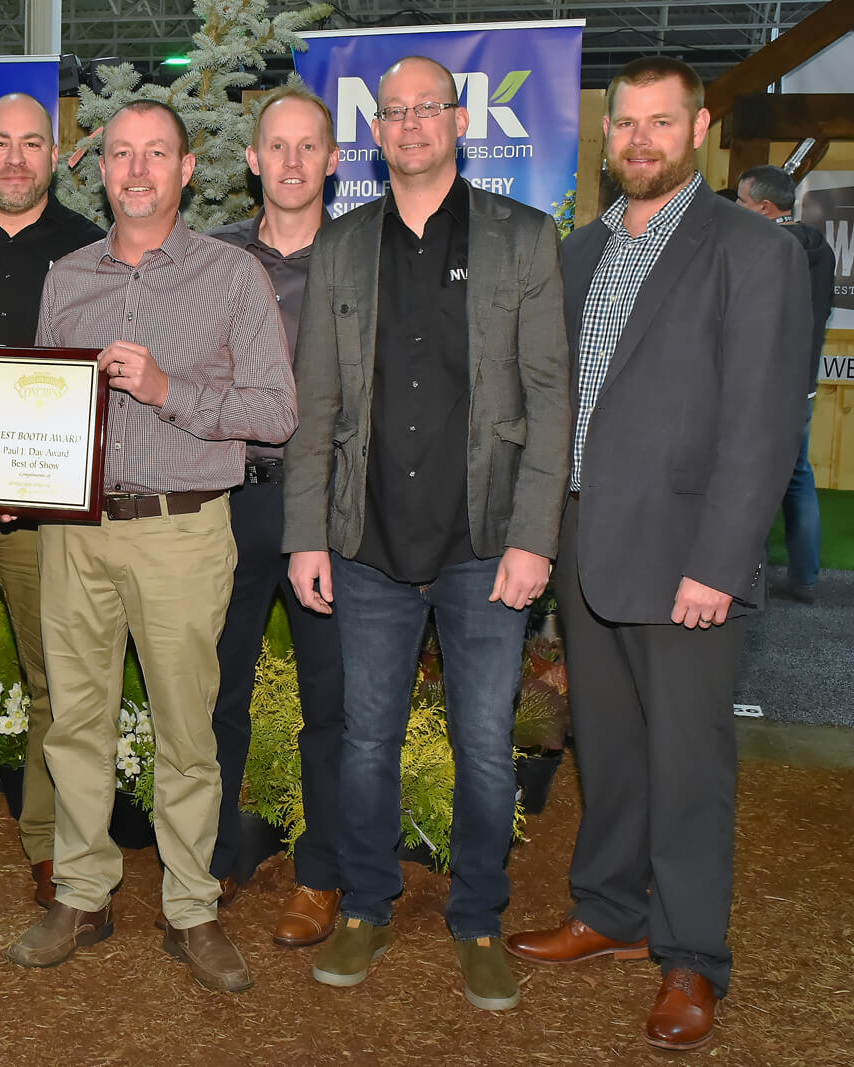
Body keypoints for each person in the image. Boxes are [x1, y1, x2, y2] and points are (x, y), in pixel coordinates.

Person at [505, 59, 810, 1051]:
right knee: (611, 745)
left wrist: (720, 561)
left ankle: (689, 957)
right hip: (588, 541)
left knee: (687, 764)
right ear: (606, 137)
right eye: (624, 125)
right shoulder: (581, 250)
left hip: (687, 556)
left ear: (699, 129)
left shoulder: (748, 249)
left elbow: (761, 423)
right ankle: (608, 911)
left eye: (659, 123)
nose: (639, 140)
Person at [284, 55, 570, 1011]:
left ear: (460, 122)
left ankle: (478, 917)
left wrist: (535, 539)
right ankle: (366, 904)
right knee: (367, 742)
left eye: (427, 110)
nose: (410, 126)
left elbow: (548, 397)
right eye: (393, 112)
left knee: (487, 745)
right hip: (365, 543)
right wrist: (306, 534)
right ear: (377, 133)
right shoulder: (343, 244)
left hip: (486, 544)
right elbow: (317, 398)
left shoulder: (525, 240)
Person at [4, 99, 296, 994]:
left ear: (186, 171)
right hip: (77, 534)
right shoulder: (68, 276)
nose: (136, 169)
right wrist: (11, 469)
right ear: (103, 171)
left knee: (186, 730)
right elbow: (41, 404)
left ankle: (192, 908)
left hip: (182, 529)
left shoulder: (233, 275)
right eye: (121, 154)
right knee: (74, 722)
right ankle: (82, 893)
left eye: (155, 154)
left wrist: (170, 389)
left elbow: (276, 413)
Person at [0, 92, 104, 907]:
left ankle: (46, 841)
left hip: (49, 508)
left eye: (31, 143)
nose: (13, 158)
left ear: (56, 153)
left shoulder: (91, 250)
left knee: (57, 683)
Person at [203, 84, 348, 945]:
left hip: (328, 509)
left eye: (309, 147)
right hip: (228, 498)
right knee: (214, 691)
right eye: (276, 147)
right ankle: (214, 855)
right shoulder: (212, 260)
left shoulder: (363, 257)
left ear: (332, 161)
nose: (291, 163)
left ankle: (320, 875)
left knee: (332, 700)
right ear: (251, 160)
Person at [737, 164, 836, 603]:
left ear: (763, 206)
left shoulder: (765, 247)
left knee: (747, 477)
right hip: (803, 384)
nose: (735, 210)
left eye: (740, 202)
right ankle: (806, 578)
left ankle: (741, 577)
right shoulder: (823, 250)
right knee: (798, 478)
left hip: (763, 383)